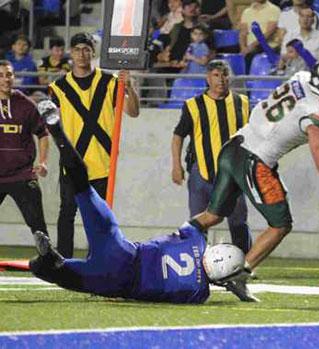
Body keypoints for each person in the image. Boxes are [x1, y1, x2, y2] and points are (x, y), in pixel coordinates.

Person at [183, 57, 319, 302]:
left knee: (212, 215)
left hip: (234, 146)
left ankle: (173, 244)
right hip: (255, 162)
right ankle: (239, 276)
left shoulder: (300, 79)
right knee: (281, 224)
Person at [30, 100, 248, 304]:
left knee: (83, 187)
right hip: (117, 282)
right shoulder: (197, 293)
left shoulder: (196, 240)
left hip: (122, 251)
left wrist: (223, 202)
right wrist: (232, 284)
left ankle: (58, 133)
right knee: (45, 270)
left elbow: (207, 218)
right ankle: (49, 260)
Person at [48, 33, 141, 258]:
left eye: (86, 49)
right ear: (71, 53)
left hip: (103, 162)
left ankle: (97, 259)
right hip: (72, 162)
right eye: (77, 49)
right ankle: (64, 261)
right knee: (67, 212)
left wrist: (129, 86)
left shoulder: (110, 82)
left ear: (93, 52)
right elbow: (52, 123)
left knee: (100, 216)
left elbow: (133, 111)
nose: (82, 54)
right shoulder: (58, 87)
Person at [171, 60, 252, 255]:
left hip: (234, 173)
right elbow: (178, 135)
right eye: (216, 75)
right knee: (198, 220)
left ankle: (246, 263)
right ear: (208, 78)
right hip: (202, 171)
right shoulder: (193, 105)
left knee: (238, 220)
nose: (221, 79)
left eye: (224, 75)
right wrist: (176, 165)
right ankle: (196, 262)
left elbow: (252, 134)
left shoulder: (242, 102)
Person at [0, 60, 49, 236]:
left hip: (22, 175)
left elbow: (43, 134)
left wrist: (43, 162)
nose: (6, 79)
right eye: (1, 76)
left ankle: (48, 262)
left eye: (9, 75)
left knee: (39, 229)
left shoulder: (26, 104)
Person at [239, 0, 281, 73]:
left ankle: (250, 80)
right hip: (250, 48)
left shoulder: (274, 9)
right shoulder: (246, 12)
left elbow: (269, 33)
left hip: (268, 47)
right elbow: (243, 32)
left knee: (251, 54)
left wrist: (250, 47)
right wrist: (243, 47)